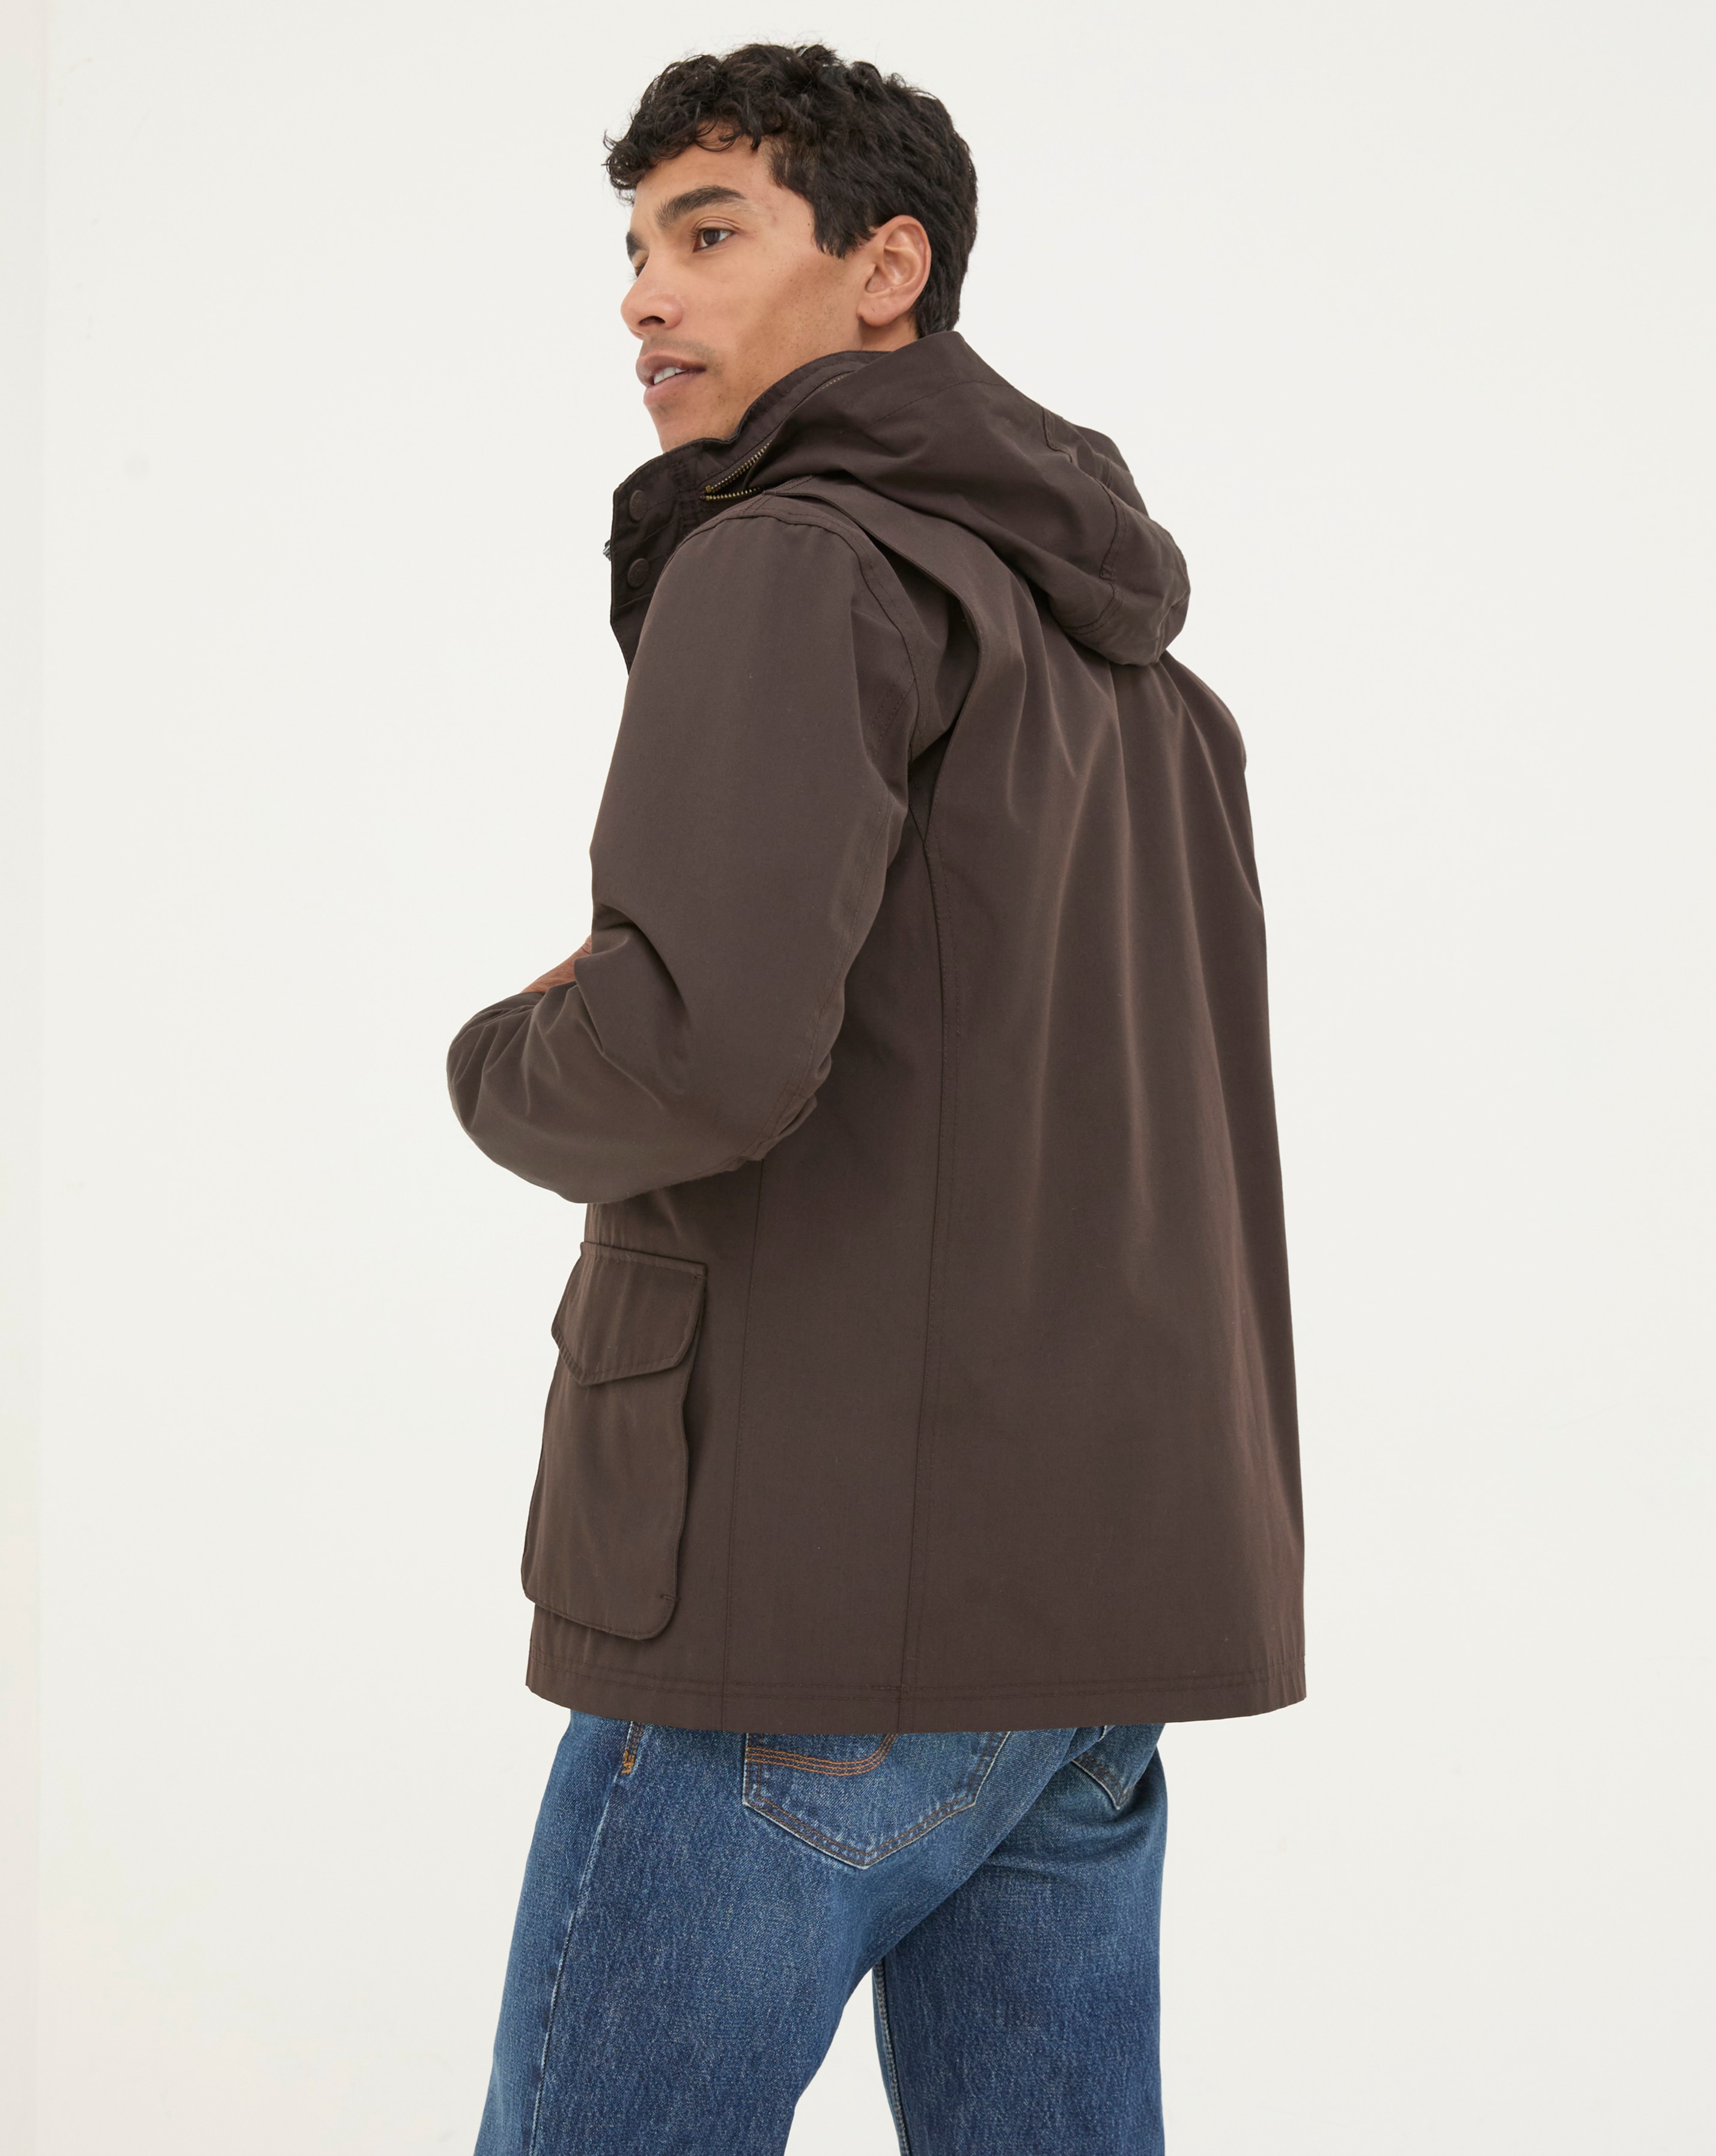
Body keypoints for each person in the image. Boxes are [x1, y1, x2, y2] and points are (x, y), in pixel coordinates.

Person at [446, 41, 1303, 2156]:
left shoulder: (792, 559)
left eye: (709, 232)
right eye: (634, 247)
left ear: (887, 268)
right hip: (1086, 1641)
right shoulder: (1140, 675)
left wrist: (500, 1055)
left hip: (804, 1626)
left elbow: (695, 1051)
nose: (644, 295)